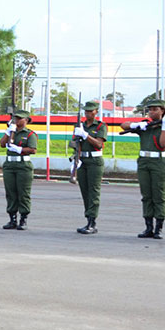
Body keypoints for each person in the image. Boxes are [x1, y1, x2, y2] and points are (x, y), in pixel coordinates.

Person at [120, 99, 165, 239]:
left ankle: (158, 228)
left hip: (159, 163)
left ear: (162, 110)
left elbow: (163, 144)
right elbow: (123, 126)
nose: (151, 111)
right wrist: (136, 124)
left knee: (159, 196)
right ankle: (148, 227)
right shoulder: (146, 125)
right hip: (144, 162)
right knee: (146, 196)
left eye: (155, 109)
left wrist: (164, 128)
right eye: (150, 109)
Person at [72, 100, 108, 234]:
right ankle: (88, 219)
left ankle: (92, 222)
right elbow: (75, 143)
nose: (87, 113)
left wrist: (85, 135)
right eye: (86, 111)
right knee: (85, 191)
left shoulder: (100, 126)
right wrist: (75, 158)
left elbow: (99, 144)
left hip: (94, 160)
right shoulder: (80, 126)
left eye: (90, 111)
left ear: (96, 112)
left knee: (93, 191)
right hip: (82, 160)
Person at [0, 109, 37, 230]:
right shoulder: (11, 131)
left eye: (19, 118)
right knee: (10, 192)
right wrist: (8, 131)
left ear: (26, 120)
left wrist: (19, 150)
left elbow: (33, 150)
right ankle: (12, 219)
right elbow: (1, 144)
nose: (16, 120)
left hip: (23, 166)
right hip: (9, 165)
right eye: (15, 118)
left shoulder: (30, 134)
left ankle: (23, 219)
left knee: (23, 193)